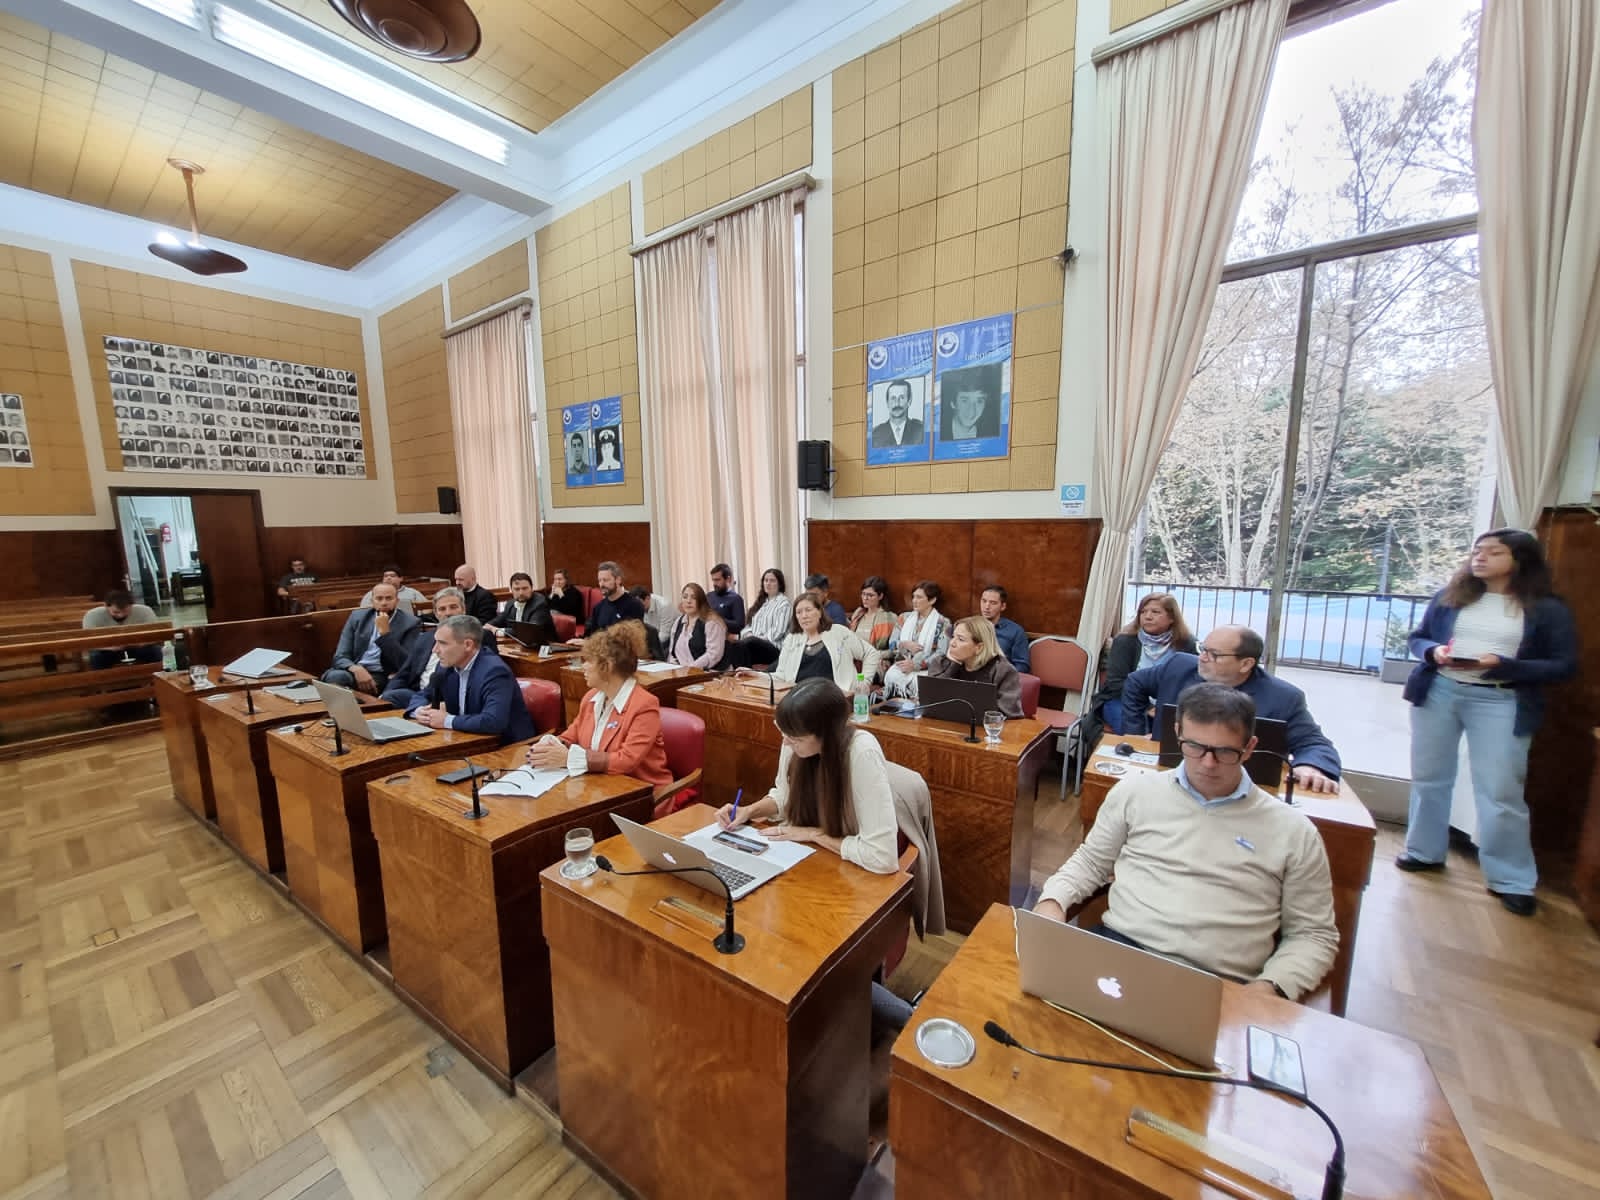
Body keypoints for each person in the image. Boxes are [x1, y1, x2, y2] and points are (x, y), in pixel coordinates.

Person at [1034, 684, 1339, 1001]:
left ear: (1249, 748)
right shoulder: (1136, 793)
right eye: (1194, 747)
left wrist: (1268, 988)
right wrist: (1052, 902)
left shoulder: (1293, 830)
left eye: (1225, 752)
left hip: (1221, 980)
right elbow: (1091, 862)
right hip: (1120, 952)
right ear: (1178, 733)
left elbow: (1313, 934)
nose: (1208, 763)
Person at [1396, 528, 1578, 917]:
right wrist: (1434, 652)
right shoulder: (1451, 596)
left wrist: (1503, 664)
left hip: (1502, 697)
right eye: (1478, 551)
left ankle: (1512, 880)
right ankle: (1423, 851)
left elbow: (1563, 665)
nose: (1480, 557)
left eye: (1494, 552)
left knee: (1500, 789)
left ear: (1520, 560)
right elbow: (1418, 638)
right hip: (1440, 691)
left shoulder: (1547, 608)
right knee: (1429, 777)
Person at [1120, 624, 1341, 793]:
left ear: (1246, 664)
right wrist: (1136, 733)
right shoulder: (1179, 666)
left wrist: (1312, 766)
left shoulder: (1283, 698)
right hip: (1165, 776)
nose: (1202, 658)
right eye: (1203, 649)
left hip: (1236, 790)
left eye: (1214, 655)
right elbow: (1135, 684)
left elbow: (1314, 744)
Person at [525, 623, 672, 787]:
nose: (583, 666)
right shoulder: (591, 698)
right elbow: (571, 736)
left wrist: (569, 758)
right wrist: (551, 746)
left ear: (607, 666)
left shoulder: (644, 705)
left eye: (589, 661)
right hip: (599, 785)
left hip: (641, 791)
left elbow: (627, 760)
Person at [405, 615, 536, 745]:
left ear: (468, 645)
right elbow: (422, 695)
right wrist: (419, 711)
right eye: (436, 642)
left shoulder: (495, 672)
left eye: (442, 643)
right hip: (464, 739)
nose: (435, 650)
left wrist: (447, 720)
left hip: (507, 747)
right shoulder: (446, 666)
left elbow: (493, 721)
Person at [1091, 593, 1196, 736]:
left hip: (1169, 704)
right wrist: (1148, 707)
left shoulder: (1187, 644)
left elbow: (1190, 683)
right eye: (1143, 612)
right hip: (1122, 699)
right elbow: (1115, 683)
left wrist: (1165, 707)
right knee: (1134, 730)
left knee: (1175, 732)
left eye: (1155, 612)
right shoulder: (1125, 641)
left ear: (1172, 617)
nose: (1148, 617)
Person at [381, 588, 494, 709]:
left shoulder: (479, 635)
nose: (448, 613)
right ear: (436, 614)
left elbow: (484, 672)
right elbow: (404, 673)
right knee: (389, 697)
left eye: (453, 607)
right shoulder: (425, 638)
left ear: (463, 609)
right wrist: (383, 697)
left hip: (450, 697)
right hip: (420, 694)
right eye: (442, 609)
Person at [322, 582, 421, 694]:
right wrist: (356, 669)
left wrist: (385, 635)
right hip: (355, 669)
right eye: (379, 598)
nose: (384, 603)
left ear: (397, 601)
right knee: (336, 677)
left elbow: (405, 663)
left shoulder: (410, 623)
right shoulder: (358, 617)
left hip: (383, 673)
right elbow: (340, 656)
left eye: (389, 598)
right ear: (372, 601)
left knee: (374, 685)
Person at [771, 592, 881, 693]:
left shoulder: (838, 632)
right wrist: (761, 676)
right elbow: (781, 675)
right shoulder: (791, 639)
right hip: (799, 698)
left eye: (808, 610)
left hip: (834, 697)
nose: (804, 616)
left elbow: (871, 653)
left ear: (819, 612)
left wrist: (865, 682)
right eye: (799, 612)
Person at [922, 616, 1024, 718]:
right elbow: (931, 701)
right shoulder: (940, 663)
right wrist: (953, 666)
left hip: (984, 727)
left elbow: (1007, 714)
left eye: (960, 639)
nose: (952, 643)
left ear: (979, 647)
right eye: (953, 637)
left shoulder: (1002, 670)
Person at [882, 581, 952, 699]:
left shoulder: (943, 623)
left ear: (932, 600)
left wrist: (916, 665)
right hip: (901, 666)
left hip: (925, 670)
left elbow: (941, 654)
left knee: (919, 683)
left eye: (919, 597)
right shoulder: (904, 617)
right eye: (913, 597)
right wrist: (904, 644)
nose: (914, 600)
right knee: (891, 676)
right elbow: (891, 644)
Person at [725, 568, 791, 669]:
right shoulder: (761, 604)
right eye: (766, 580)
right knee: (734, 645)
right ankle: (741, 674)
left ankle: (744, 675)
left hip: (774, 648)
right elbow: (747, 628)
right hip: (754, 644)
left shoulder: (784, 603)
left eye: (772, 581)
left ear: (780, 584)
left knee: (746, 644)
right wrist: (749, 635)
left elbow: (778, 632)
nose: (768, 583)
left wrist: (756, 638)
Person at [83, 589, 164, 669]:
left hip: (140, 646)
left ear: (131, 605)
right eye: (116, 612)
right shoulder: (93, 615)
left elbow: (156, 635)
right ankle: (104, 677)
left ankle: (155, 674)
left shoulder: (145, 611)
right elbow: (89, 641)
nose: (121, 615)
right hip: (107, 649)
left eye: (125, 611)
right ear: (106, 606)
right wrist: (111, 647)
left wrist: (140, 643)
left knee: (154, 651)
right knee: (97, 656)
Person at [665, 583, 728, 670]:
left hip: (709, 673)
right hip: (682, 673)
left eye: (693, 597)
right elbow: (672, 653)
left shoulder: (712, 622)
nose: (688, 601)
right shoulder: (678, 621)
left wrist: (690, 669)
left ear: (701, 601)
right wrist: (675, 668)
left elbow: (713, 654)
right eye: (685, 597)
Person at [579, 561, 645, 636]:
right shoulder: (598, 608)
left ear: (618, 580)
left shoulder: (634, 606)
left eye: (605, 580)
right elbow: (593, 636)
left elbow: (633, 638)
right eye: (599, 580)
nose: (601, 584)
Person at [979, 585, 1030, 673]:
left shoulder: (1016, 631)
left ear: (1002, 606)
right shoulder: (969, 626)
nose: (986, 606)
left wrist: (1004, 676)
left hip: (1000, 677)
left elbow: (1022, 666)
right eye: (984, 601)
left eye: (993, 603)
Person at [848, 576, 898, 661]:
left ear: (880, 596)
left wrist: (872, 655)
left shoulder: (889, 618)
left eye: (870, 595)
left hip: (875, 661)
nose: (865, 598)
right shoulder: (858, 615)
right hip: (854, 659)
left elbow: (894, 651)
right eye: (863, 594)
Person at [870, 378, 925, 448]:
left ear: (909, 401)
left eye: (901, 397)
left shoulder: (920, 430)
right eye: (893, 398)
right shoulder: (876, 433)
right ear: (887, 403)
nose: (897, 403)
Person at [359, 566, 425, 615]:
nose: (388, 578)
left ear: (401, 578)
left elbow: (426, 608)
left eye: (392, 576)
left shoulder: (412, 592)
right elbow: (363, 611)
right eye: (385, 576)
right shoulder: (372, 593)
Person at [707, 563, 745, 635]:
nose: (714, 583)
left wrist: (718, 619)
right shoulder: (709, 596)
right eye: (713, 580)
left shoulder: (736, 599)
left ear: (728, 579)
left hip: (725, 637)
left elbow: (739, 626)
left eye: (717, 580)